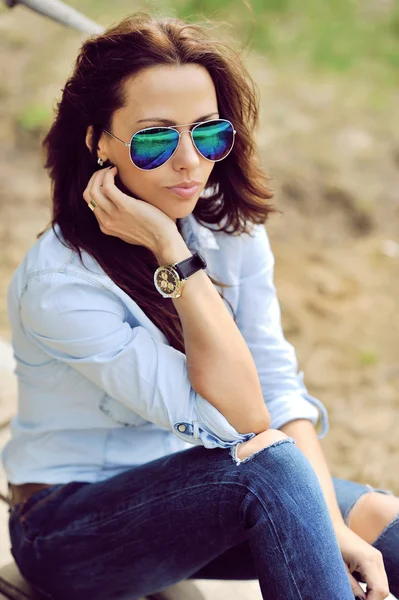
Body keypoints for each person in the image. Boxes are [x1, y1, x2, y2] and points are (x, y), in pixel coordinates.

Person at [1, 11, 397, 600]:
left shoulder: (229, 229)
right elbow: (243, 424)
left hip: (201, 495)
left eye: (208, 133)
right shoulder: (62, 285)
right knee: (269, 468)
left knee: (382, 522)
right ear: (98, 142)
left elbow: (277, 391)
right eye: (157, 138)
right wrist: (170, 249)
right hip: (70, 531)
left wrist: (335, 526)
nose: (190, 162)